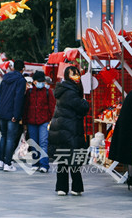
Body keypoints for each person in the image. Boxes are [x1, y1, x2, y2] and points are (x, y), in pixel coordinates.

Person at [48, 66, 89, 196]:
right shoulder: (70, 91)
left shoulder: (64, 89)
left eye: (77, 73)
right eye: (73, 74)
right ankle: (76, 188)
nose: (76, 76)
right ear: (67, 76)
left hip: (62, 128)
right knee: (73, 160)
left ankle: (62, 187)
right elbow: (82, 107)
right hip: (69, 128)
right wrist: (85, 102)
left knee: (64, 159)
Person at [23, 70, 55, 173]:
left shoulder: (48, 91)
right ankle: (35, 163)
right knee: (33, 143)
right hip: (31, 121)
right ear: (34, 81)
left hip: (44, 121)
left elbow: (52, 106)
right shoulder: (30, 92)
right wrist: (25, 122)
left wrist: (49, 119)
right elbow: (26, 107)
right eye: (39, 81)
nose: (41, 83)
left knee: (43, 142)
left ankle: (44, 164)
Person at [0, 60, 27, 171]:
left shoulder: (5, 79)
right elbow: (18, 98)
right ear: (22, 69)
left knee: (3, 136)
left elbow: (1, 95)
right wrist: (16, 114)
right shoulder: (21, 80)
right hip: (12, 113)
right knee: (10, 138)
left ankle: (1, 161)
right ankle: (7, 163)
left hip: (3, 111)